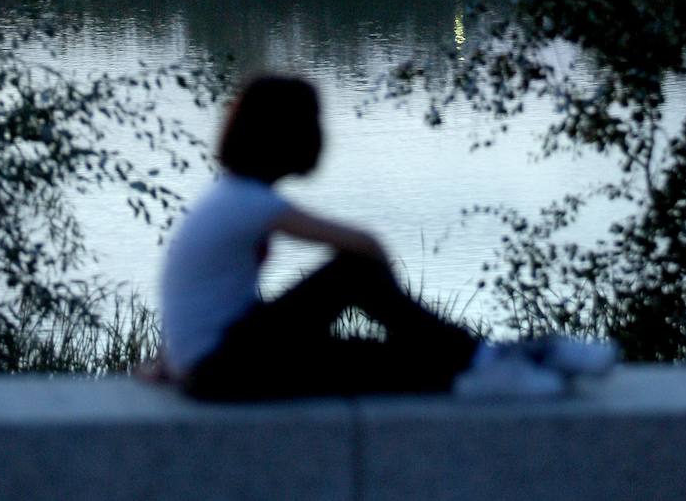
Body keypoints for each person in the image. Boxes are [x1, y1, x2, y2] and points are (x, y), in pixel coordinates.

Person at [159, 74, 616, 401]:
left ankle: (501, 364)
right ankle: (488, 362)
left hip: (221, 364)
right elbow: (364, 245)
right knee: (353, 272)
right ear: (285, 136)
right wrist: (387, 291)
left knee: (373, 360)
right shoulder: (248, 202)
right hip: (223, 368)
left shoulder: (230, 197)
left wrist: (170, 361)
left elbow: (201, 301)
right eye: (311, 125)